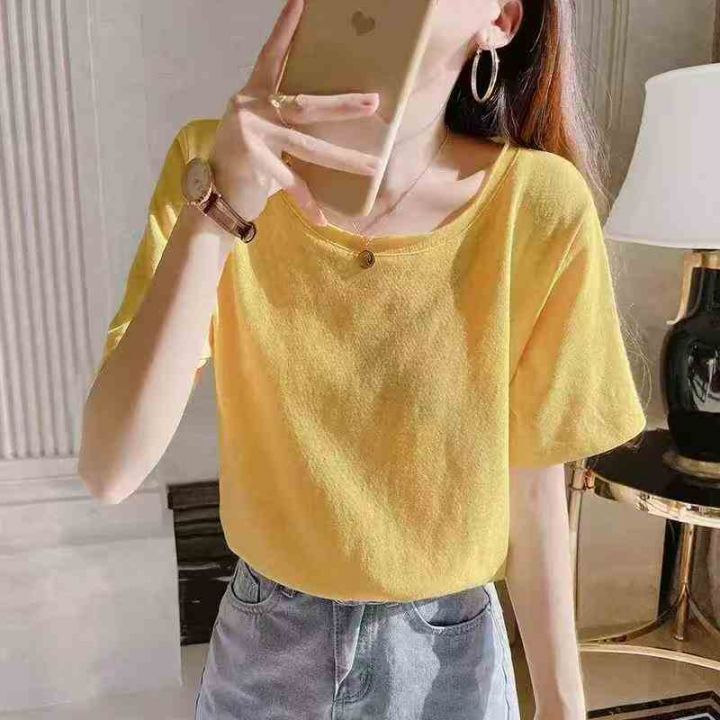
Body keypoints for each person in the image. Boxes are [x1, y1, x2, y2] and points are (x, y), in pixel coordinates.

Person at [78, 0, 648, 718]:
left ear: (502, 18)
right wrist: (219, 213)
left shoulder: (538, 207)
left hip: (450, 661)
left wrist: (564, 706)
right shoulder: (212, 163)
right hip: (264, 641)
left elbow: (535, 492)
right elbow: (110, 469)